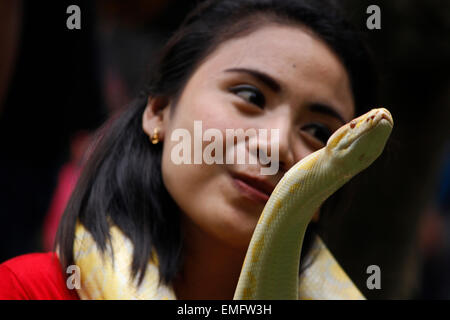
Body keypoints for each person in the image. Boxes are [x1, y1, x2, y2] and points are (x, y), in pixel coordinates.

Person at [0, 0, 376, 300]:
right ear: (159, 110)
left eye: (317, 131)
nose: (275, 146)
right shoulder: (25, 291)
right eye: (250, 96)